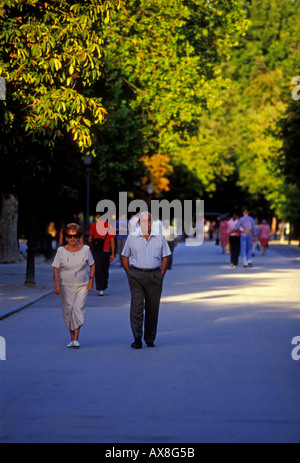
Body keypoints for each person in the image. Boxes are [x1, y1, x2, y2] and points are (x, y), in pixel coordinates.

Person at [121, 212, 171, 349]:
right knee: (137, 307)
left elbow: (166, 256)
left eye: (148, 221)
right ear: (138, 223)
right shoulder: (132, 237)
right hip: (136, 275)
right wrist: (129, 272)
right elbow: (124, 256)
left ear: (151, 222)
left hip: (154, 276)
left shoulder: (159, 237)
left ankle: (150, 338)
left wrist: (161, 274)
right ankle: (137, 338)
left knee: (152, 308)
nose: (146, 223)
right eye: (143, 221)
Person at [52, 223, 95, 348]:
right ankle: (72, 339)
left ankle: (76, 338)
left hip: (82, 284)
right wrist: (56, 285)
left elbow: (92, 265)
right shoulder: (61, 251)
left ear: (79, 237)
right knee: (68, 311)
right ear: (66, 237)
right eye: (70, 236)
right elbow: (55, 269)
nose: (72, 238)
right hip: (66, 285)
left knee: (77, 309)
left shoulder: (86, 249)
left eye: (75, 236)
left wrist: (91, 280)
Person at [88, 213, 115, 296]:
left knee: (100, 269)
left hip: (98, 250)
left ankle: (101, 287)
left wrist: (92, 247)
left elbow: (89, 239)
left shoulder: (94, 225)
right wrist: (112, 253)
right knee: (103, 269)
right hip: (105, 250)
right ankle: (101, 287)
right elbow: (112, 241)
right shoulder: (109, 226)